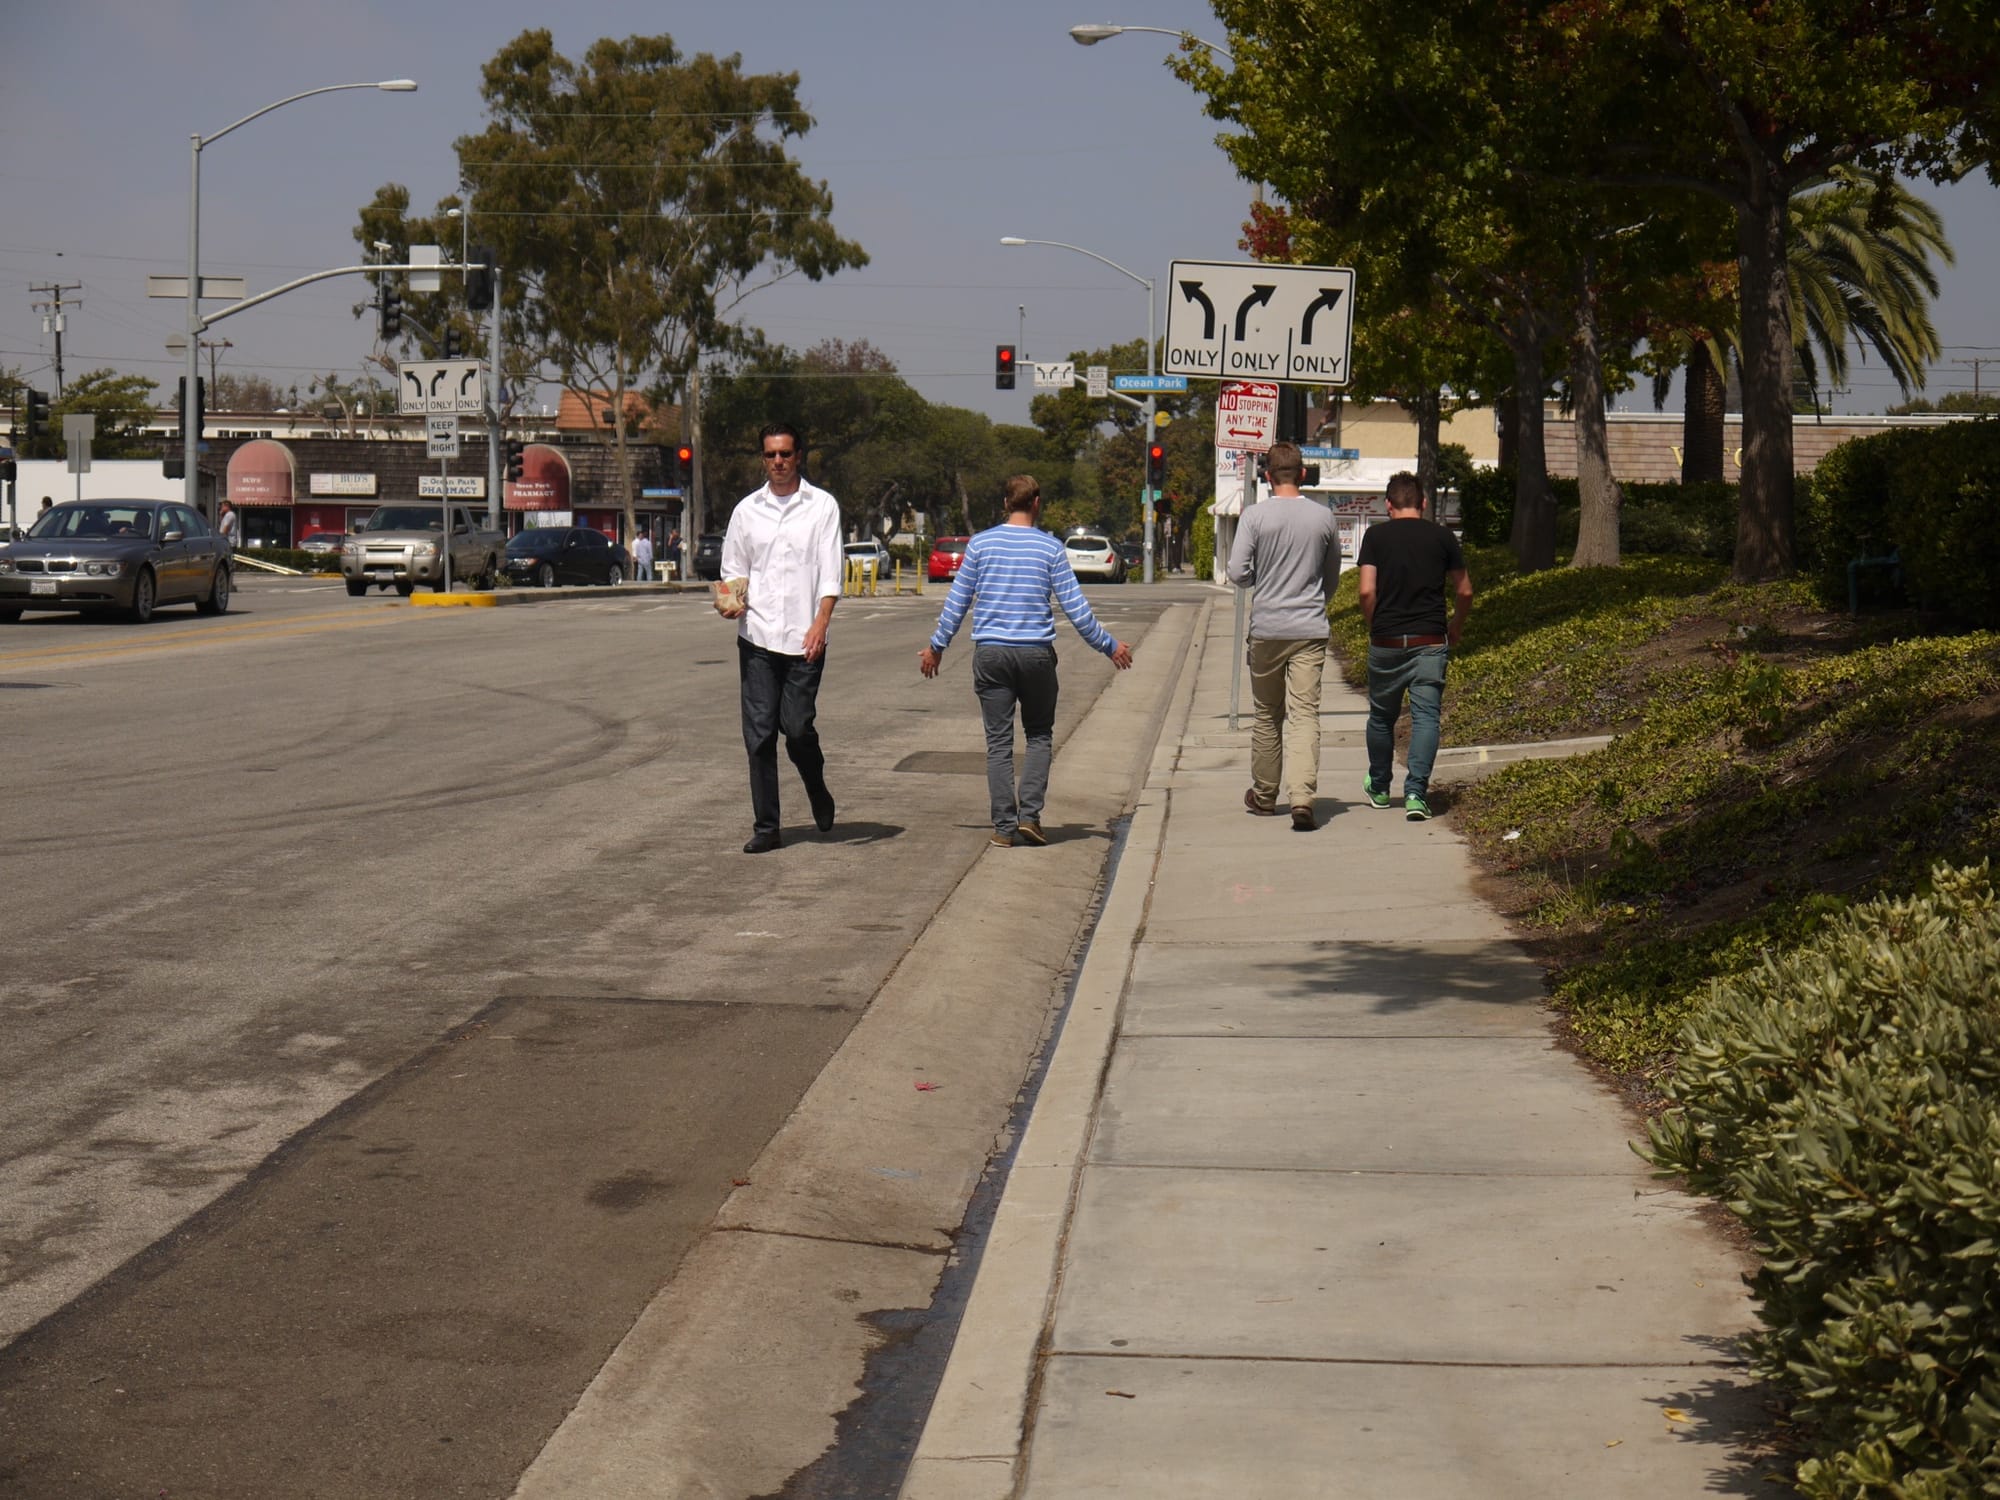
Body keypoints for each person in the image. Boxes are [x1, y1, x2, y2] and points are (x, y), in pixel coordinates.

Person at [919, 475, 1133, 848]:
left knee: (999, 743)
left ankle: (1004, 826)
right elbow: (1077, 611)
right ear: (1037, 503)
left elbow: (957, 602)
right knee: (1039, 735)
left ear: (1005, 503)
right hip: (1036, 655)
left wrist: (937, 647)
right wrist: (1109, 646)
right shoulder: (1050, 549)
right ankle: (1030, 816)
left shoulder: (981, 545)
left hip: (991, 655)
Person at [716, 423, 842, 854]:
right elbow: (734, 569)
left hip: (806, 638)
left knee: (798, 728)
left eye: (785, 454)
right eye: (770, 455)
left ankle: (816, 785)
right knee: (760, 733)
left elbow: (830, 573)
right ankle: (767, 826)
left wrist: (821, 622)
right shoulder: (746, 511)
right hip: (757, 636)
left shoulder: (822, 506)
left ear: (799, 456)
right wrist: (729, 599)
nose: (778, 462)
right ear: (762, 458)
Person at [1225, 442, 1344, 831]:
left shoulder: (1255, 517)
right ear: (1304, 474)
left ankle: (1264, 795)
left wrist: (1266, 581)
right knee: (1305, 713)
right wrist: (1314, 600)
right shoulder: (1323, 518)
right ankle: (1303, 797)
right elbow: (1332, 575)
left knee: (1266, 714)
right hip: (1309, 627)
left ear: (1267, 476)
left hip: (1268, 629)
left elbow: (1237, 572)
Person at [1356, 471, 1474, 822]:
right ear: (1423, 503)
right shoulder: (1442, 537)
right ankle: (1415, 794)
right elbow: (1464, 590)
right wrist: (1456, 624)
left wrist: (1374, 625)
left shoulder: (1375, 536)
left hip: (1387, 640)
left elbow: (1366, 591)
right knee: (1426, 718)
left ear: (1388, 505)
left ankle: (1379, 786)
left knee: (1381, 716)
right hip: (1429, 640)